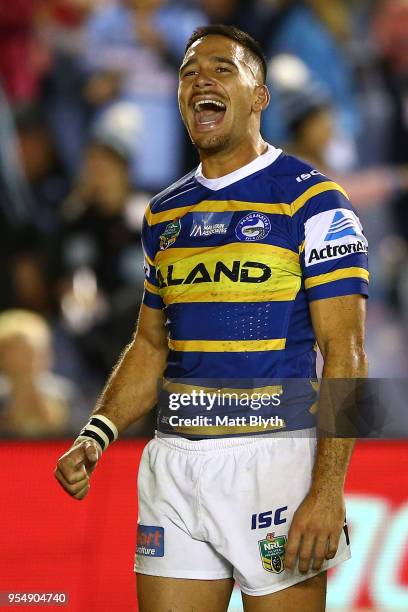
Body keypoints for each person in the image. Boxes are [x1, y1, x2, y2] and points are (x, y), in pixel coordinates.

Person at [54, 25, 369, 611]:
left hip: (276, 463)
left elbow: (347, 352)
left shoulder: (313, 199)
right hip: (174, 463)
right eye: (189, 71)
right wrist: (96, 434)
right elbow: (149, 343)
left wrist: (328, 491)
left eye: (223, 68)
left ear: (260, 96)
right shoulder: (163, 212)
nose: (201, 77)